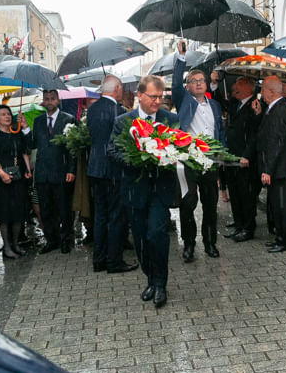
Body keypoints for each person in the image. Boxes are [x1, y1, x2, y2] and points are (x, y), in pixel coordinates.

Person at [108, 75, 179, 308]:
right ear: (140, 95)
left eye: (160, 97)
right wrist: (135, 160)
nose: (157, 102)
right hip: (134, 191)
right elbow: (112, 151)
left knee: (156, 235)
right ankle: (150, 278)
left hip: (160, 190)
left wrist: (170, 156)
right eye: (152, 97)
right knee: (140, 239)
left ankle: (161, 284)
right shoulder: (123, 122)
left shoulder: (170, 120)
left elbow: (181, 147)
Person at [173, 45, 225, 261]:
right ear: (187, 87)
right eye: (193, 81)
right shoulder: (184, 101)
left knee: (211, 205)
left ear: (206, 84)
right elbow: (176, 83)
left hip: (210, 160)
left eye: (201, 81)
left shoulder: (213, 105)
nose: (198, 84)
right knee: (188, 204)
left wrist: (221, 153)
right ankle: (189, 244)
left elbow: (219, 130)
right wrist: (181, 57)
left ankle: (210, 242)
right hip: (190, 160)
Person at [87, 75, 137, 273]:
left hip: (95, 169)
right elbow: (122, 144)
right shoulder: (119, 112)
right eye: (121, 88)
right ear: (116, 88)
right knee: (116, 217)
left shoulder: (92, 109)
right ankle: (114, 261)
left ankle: (98, 260)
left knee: (100, 216)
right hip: (114, 170)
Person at [29, 88, 76, 255]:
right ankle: (51, 240)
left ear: (58, 100)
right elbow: (32, 144)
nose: (49, 101)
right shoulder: (38, 121)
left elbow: (72, 148)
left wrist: (71, 169)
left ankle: (66, 240)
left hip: (61, 171)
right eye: (46, 98)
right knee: (46, 209)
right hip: (42, 172)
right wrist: (25, 129)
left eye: (52, 98)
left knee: (63, 209)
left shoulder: (68, 119)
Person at [0, 104, 32, 259]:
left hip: (17, 176)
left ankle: (16, 243)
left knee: (19, 211)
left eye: (8, 114)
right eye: (3, 114)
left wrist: (27, 169)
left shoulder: (16, 133)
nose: (7, 116)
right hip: (0, 177)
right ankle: (6, 246)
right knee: (5, 213)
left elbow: (25, 151)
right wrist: (1, 174)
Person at [257, 76, 286, 253]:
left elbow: (276, 143)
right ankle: (280, 237)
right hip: (278, 168)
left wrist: (268, 170)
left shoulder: (280, 109)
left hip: (280, 169)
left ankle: (285, 241)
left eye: (263, 89)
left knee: (282, 206)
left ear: (270, 91)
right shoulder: (274, 108)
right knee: (277, 205)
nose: (261, 93)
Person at [224, 77, 262, 243]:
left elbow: (255, 135)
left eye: (238, 85)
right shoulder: (235, 104)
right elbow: (222, 99)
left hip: (245, 158)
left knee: (246, 194)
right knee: (235, 192)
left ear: (248, 87)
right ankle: (239, 224)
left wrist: (247, 155)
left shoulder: (255, 105)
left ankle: (248, 227)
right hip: (231, 156)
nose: (234, 88)